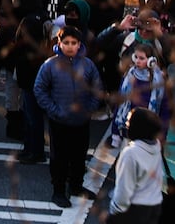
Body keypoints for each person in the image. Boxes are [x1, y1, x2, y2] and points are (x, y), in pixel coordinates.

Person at [33, 23, 102, 207]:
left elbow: (97, 89)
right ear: (60, 43)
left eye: (74, 43)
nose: (70, 46)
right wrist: (54, 110)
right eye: (67, 42)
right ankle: (58, 190)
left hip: (81, 121)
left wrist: (90, 109)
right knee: (59, 158)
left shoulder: (88, 65)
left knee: (79, 156)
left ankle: (76, 186)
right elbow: (39, 89)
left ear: (79, 44)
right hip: (59, 121)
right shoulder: (50, 65)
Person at [108, 107, 164, 224]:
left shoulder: (131, 153)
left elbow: (124, 190)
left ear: (137, 127)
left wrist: (115, 210)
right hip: (154, 205)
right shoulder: (156, 145)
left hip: (134, 210)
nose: (127, 124)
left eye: (129, 121)